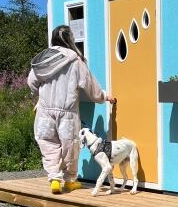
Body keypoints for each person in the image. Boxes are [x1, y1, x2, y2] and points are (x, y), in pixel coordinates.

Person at [28, 25, 116, 194]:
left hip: (45, 110)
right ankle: (69, 181)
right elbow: (90, 86)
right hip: (67, 111)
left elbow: (32, 82)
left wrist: (41, 96)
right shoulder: (75, 60)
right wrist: (103, 96)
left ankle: (54, 178)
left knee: (48, 143)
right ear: (70, 40)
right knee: (70, 145)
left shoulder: (43, 59)